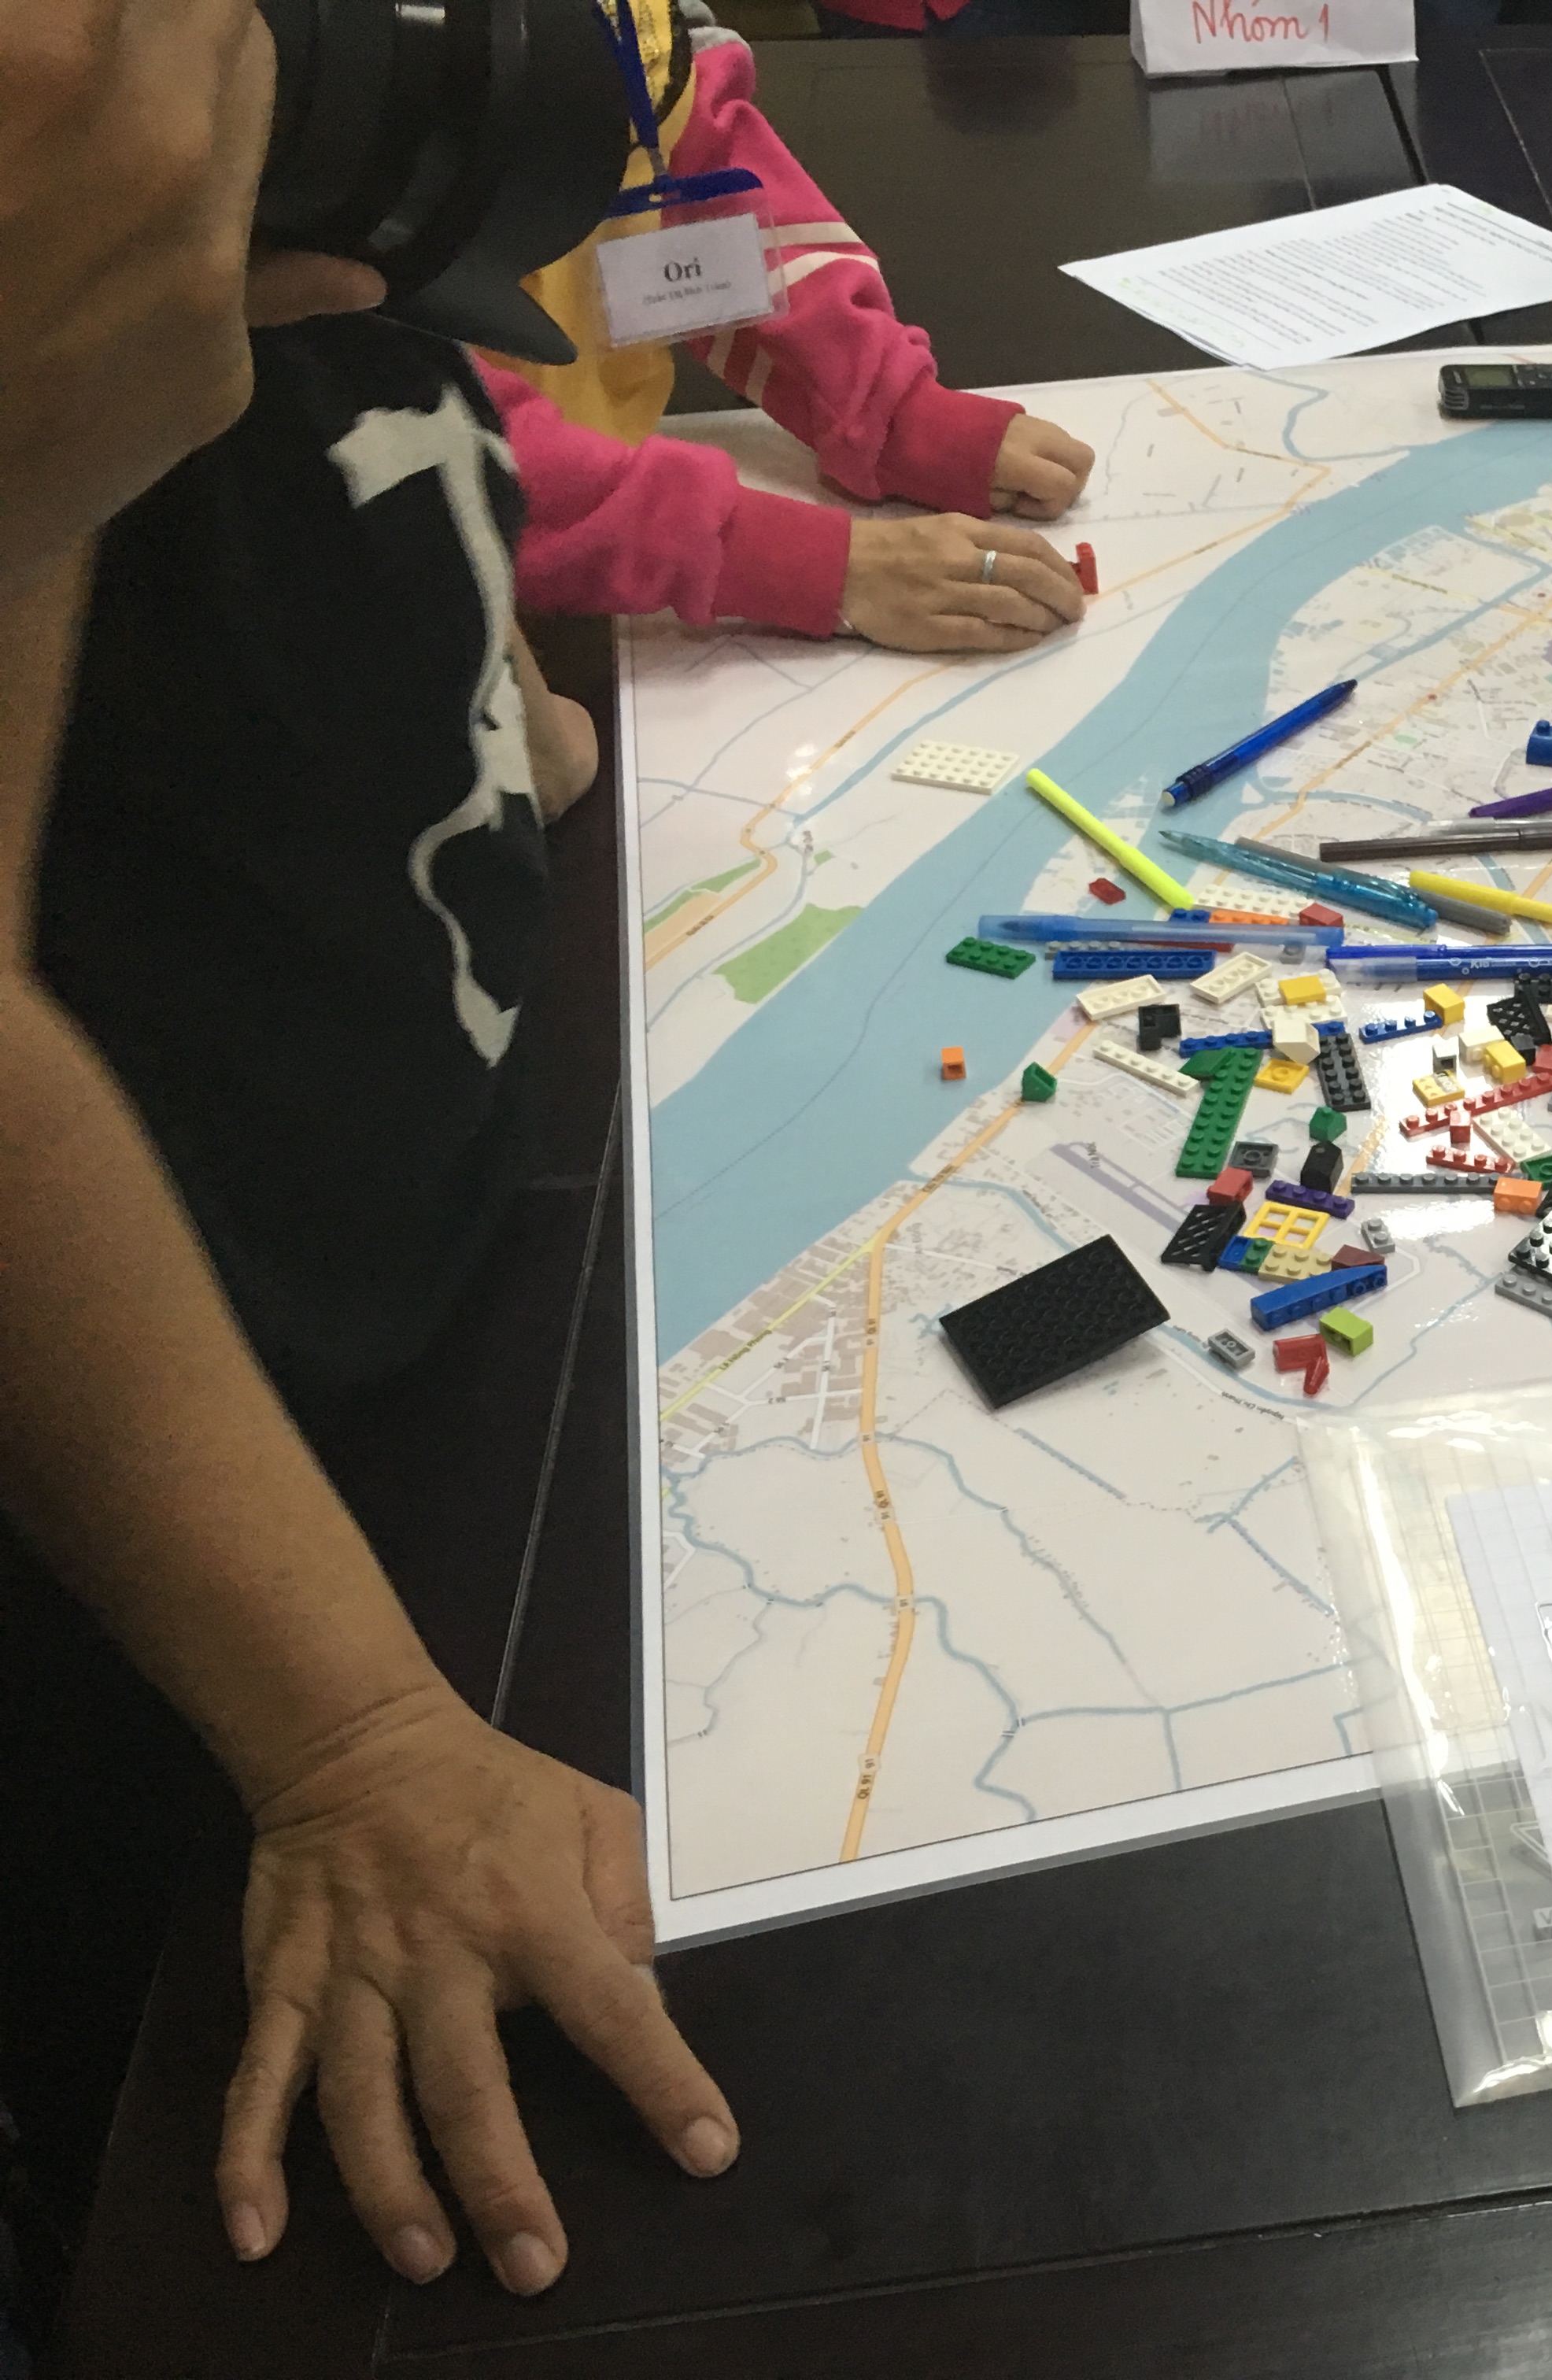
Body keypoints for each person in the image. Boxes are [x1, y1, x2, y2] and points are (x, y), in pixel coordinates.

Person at [0, 0, 735, 2335]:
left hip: (467, 1281)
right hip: (172, 1554)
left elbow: (414, 493)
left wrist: (516, 737)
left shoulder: (310, 286)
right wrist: (352, 1737)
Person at [475, 0, 1092, 652]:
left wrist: (884, 407)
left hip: (559, 525)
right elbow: (422, 422)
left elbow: (694, 157)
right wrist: (793, 560)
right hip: (436, 572)